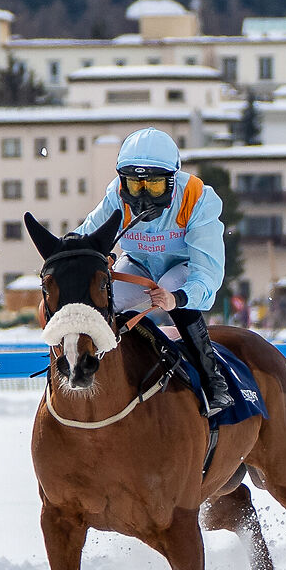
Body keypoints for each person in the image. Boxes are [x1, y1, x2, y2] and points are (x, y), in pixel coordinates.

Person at [72, 128, 234, 415]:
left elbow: (207, 273)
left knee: (170, 285)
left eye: (155, 185)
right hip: (139, 265)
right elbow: (85, 238)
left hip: (182, 268)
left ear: (172, 179)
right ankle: (89, 372)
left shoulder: (197, 198)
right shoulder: (116, 194)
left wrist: (177, 299)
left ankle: (213, 381)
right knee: (99, 302)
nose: (143, 195)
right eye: (135, 185)